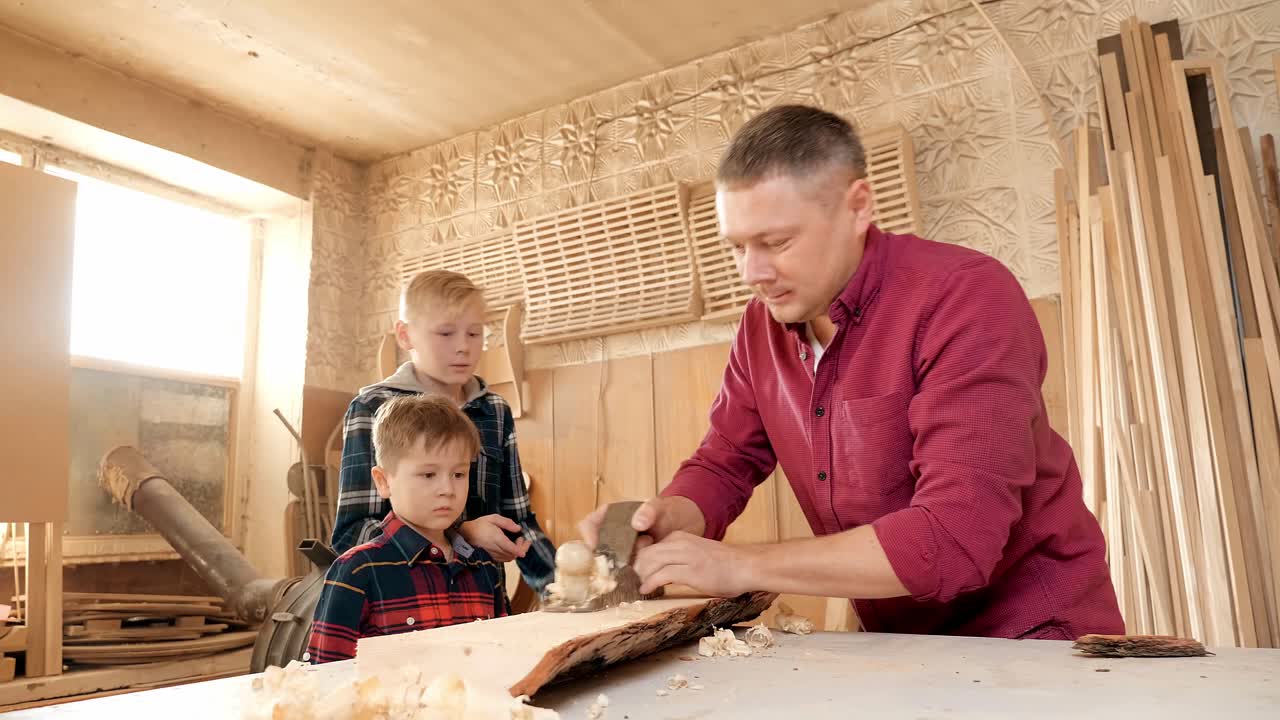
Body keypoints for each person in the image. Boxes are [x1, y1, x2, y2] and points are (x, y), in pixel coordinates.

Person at [579, 105, 1124, 641]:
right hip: (897, 637)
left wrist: (739, 566)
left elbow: (955, 537)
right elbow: (726, 462)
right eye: (738, 248)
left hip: (1032, 635)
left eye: (777, 242)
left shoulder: (965, 296)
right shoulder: (759, 327)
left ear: (857, 207)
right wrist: (674, 516)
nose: (753, 273)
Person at [330, 269, 556, 597]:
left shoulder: (495, 410)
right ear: (405, 336)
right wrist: (461, 536)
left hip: (482, 602)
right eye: (446, 334)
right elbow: (354, 534)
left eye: (475, 334)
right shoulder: (372, 407)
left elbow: (519, 522)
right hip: (402, 604)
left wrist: (565, 587)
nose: (463, 347)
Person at [307, 395, 507, 663]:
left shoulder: (483, 566)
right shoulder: (357, 571)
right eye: (428, 475)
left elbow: (502, 660)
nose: (447, 490)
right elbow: (324, 678)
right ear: (383, 481)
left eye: (458, 474)